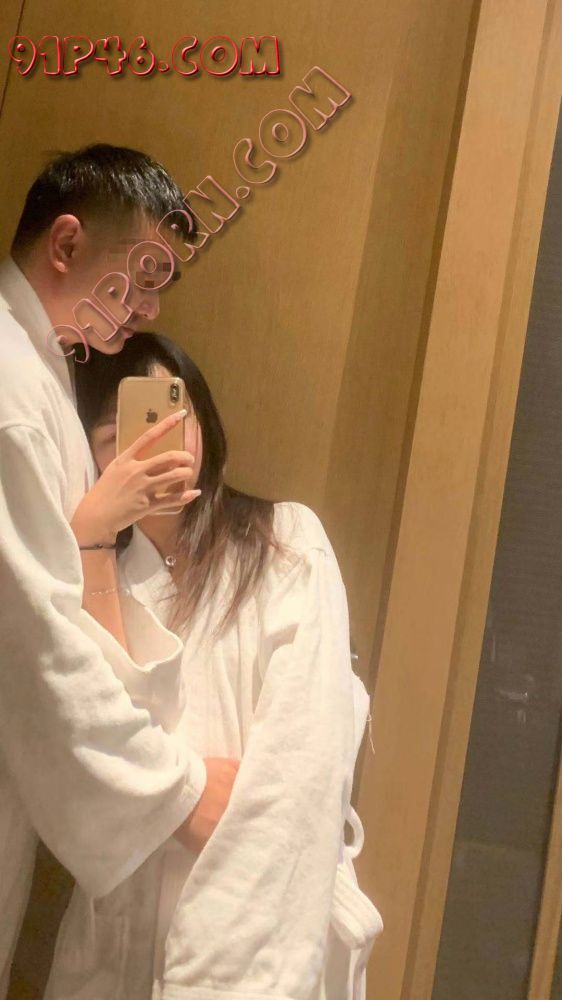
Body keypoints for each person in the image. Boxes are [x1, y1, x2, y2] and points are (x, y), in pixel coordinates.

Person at [46, 332, 383, 1000]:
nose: (152, 446)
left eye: (171, 418)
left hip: (259, 943)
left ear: (204, 422)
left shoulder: (287, 543)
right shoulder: (79, 573)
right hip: (115, 947)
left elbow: (301, 766)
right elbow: (90, 749)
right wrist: (92, 541)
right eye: (118, 436)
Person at [0, 145, 239, 998]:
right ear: (66, 245)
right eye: (144, 275)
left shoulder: (38, 379)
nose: (150, 307)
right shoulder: (13, 392)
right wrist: (174, 791)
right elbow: (31, 642)